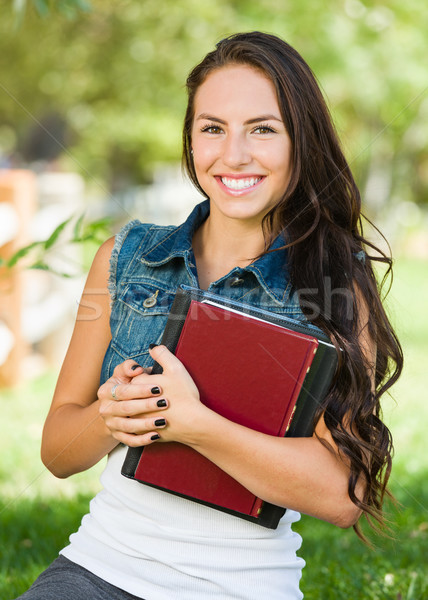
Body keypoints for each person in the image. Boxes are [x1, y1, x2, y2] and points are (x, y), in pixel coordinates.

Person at [16, 31, 403, 600]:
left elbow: (342, 496)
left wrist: (198, 426)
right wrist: (112, 417)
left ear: (302, 141)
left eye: (263, 129)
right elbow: (57, 452)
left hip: (242, 587)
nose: (234, 155)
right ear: (191, 139)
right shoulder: (126, 257)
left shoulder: (333, 279)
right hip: (99, 570)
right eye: (212, 128)